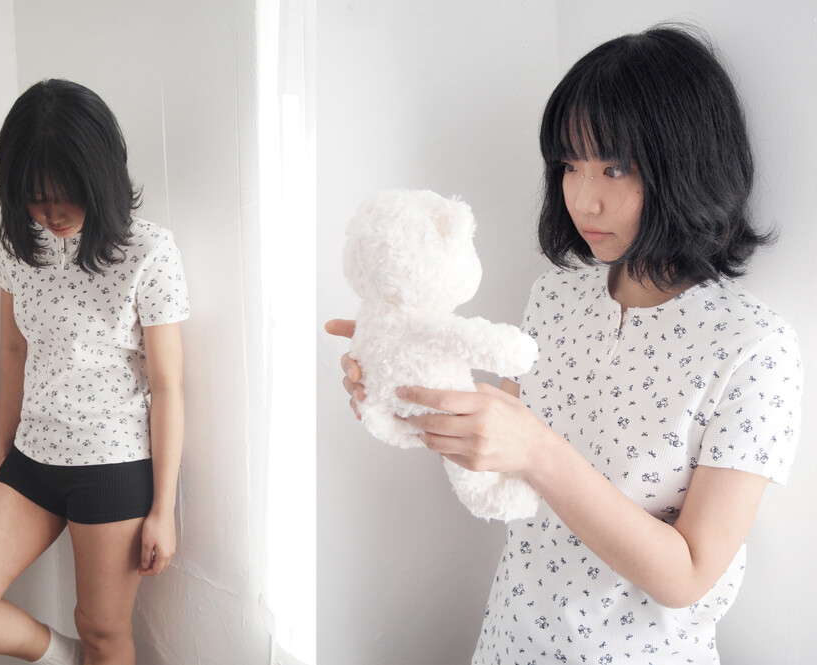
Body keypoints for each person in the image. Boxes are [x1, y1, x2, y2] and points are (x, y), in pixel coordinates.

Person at [328, 25, 802, 664]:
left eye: (614, 167)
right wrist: (404, 389)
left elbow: (690, 576)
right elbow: (500, 460)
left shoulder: (754, 347)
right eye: (569, 167)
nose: (583, 198)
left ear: (686, 162)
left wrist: (541, 451)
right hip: (509, 641)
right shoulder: (555, 296)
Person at [0, 79, 189, 665]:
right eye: (36, 198)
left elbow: (168, 387)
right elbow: (13, 351)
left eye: (68, 195)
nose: (53, 214)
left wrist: (163, 510)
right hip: (32, 459)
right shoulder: (21, 248)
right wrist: (4, 456)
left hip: (113, 465)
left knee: (103, 631)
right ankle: (65, 657)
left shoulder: (148, 251)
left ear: (101, 178)